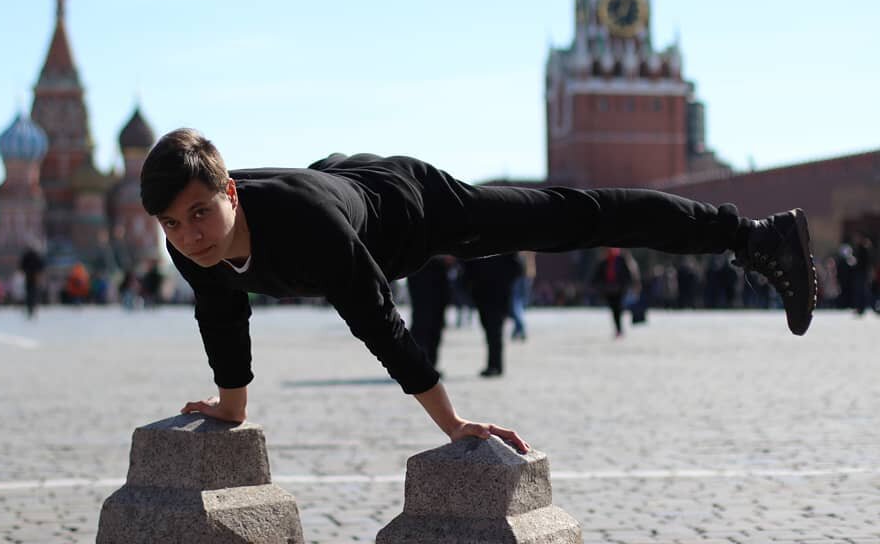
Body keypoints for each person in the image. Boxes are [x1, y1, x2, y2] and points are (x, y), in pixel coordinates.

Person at [141, 128, 818, 453]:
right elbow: (222, 317)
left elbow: (382, 325)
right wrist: (232, 405)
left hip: (414, 205)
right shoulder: (189, 246)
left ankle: (755, 237)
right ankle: (751, 237)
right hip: (343, 181)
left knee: (574, 218)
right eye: (172, 224)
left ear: (229, 194)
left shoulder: (306, 232)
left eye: (201, 213)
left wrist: (453, 422)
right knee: (571, 218)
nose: (190, 235)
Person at [461, 253, 522, 376]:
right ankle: (494, 365)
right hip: (486, 292)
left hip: (493, 293)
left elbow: (517, 268)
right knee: (492, 330)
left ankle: (495, 365)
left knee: (494, 331)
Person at [406, 255, 454, 370]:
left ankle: (430, 363)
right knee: (422, 321)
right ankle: (417, 364)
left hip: (439, 272)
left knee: (435, 322)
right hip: (420, 270)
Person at [591, 247, 638, 338]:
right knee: (614, 310)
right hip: (609, 290)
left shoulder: (622, 260)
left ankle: (619, 329)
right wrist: (601, 286)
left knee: (618, 308)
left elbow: (628, 274)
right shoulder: (604, 262)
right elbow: (597, 277)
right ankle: (618, 329)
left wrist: (627, 285)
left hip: (620, 290)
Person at [19, 246, 46, 318]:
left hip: (28, 277)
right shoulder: (37, 256)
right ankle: (33, 308)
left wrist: (25, 271)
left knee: (28, 293)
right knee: (34, 293)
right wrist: (39, 273)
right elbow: (41, 266)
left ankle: (29, 308)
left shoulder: (26, 256)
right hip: (35, 277)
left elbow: (21, 266)